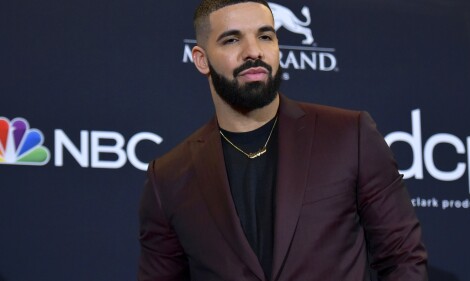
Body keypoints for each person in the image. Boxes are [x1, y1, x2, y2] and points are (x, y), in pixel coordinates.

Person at [138, 0, 428, 280]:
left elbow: (402, 258)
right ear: (202, 60)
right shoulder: (168, 178)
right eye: (231, 40)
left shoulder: (349, 136)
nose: (253, 52)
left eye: (265, 36)